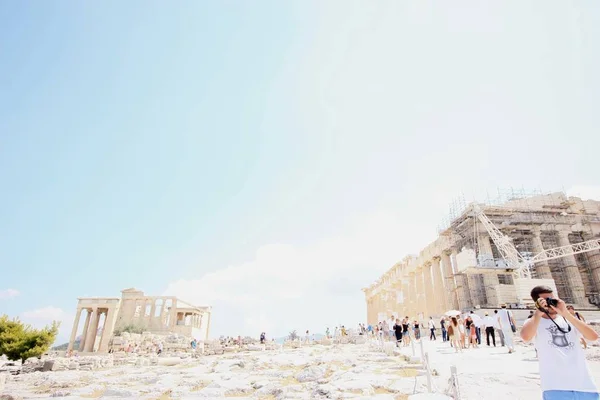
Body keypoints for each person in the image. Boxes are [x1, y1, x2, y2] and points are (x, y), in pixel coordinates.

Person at [521, 285, 599, 399]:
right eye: (545, 301)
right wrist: (538, 313)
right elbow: (525, 337)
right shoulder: (533, 322)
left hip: (586, 385)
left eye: (552, 299)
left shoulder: (569, 319)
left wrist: (566, 313)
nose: (550, 303)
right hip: (555, 387)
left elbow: (593, 337)